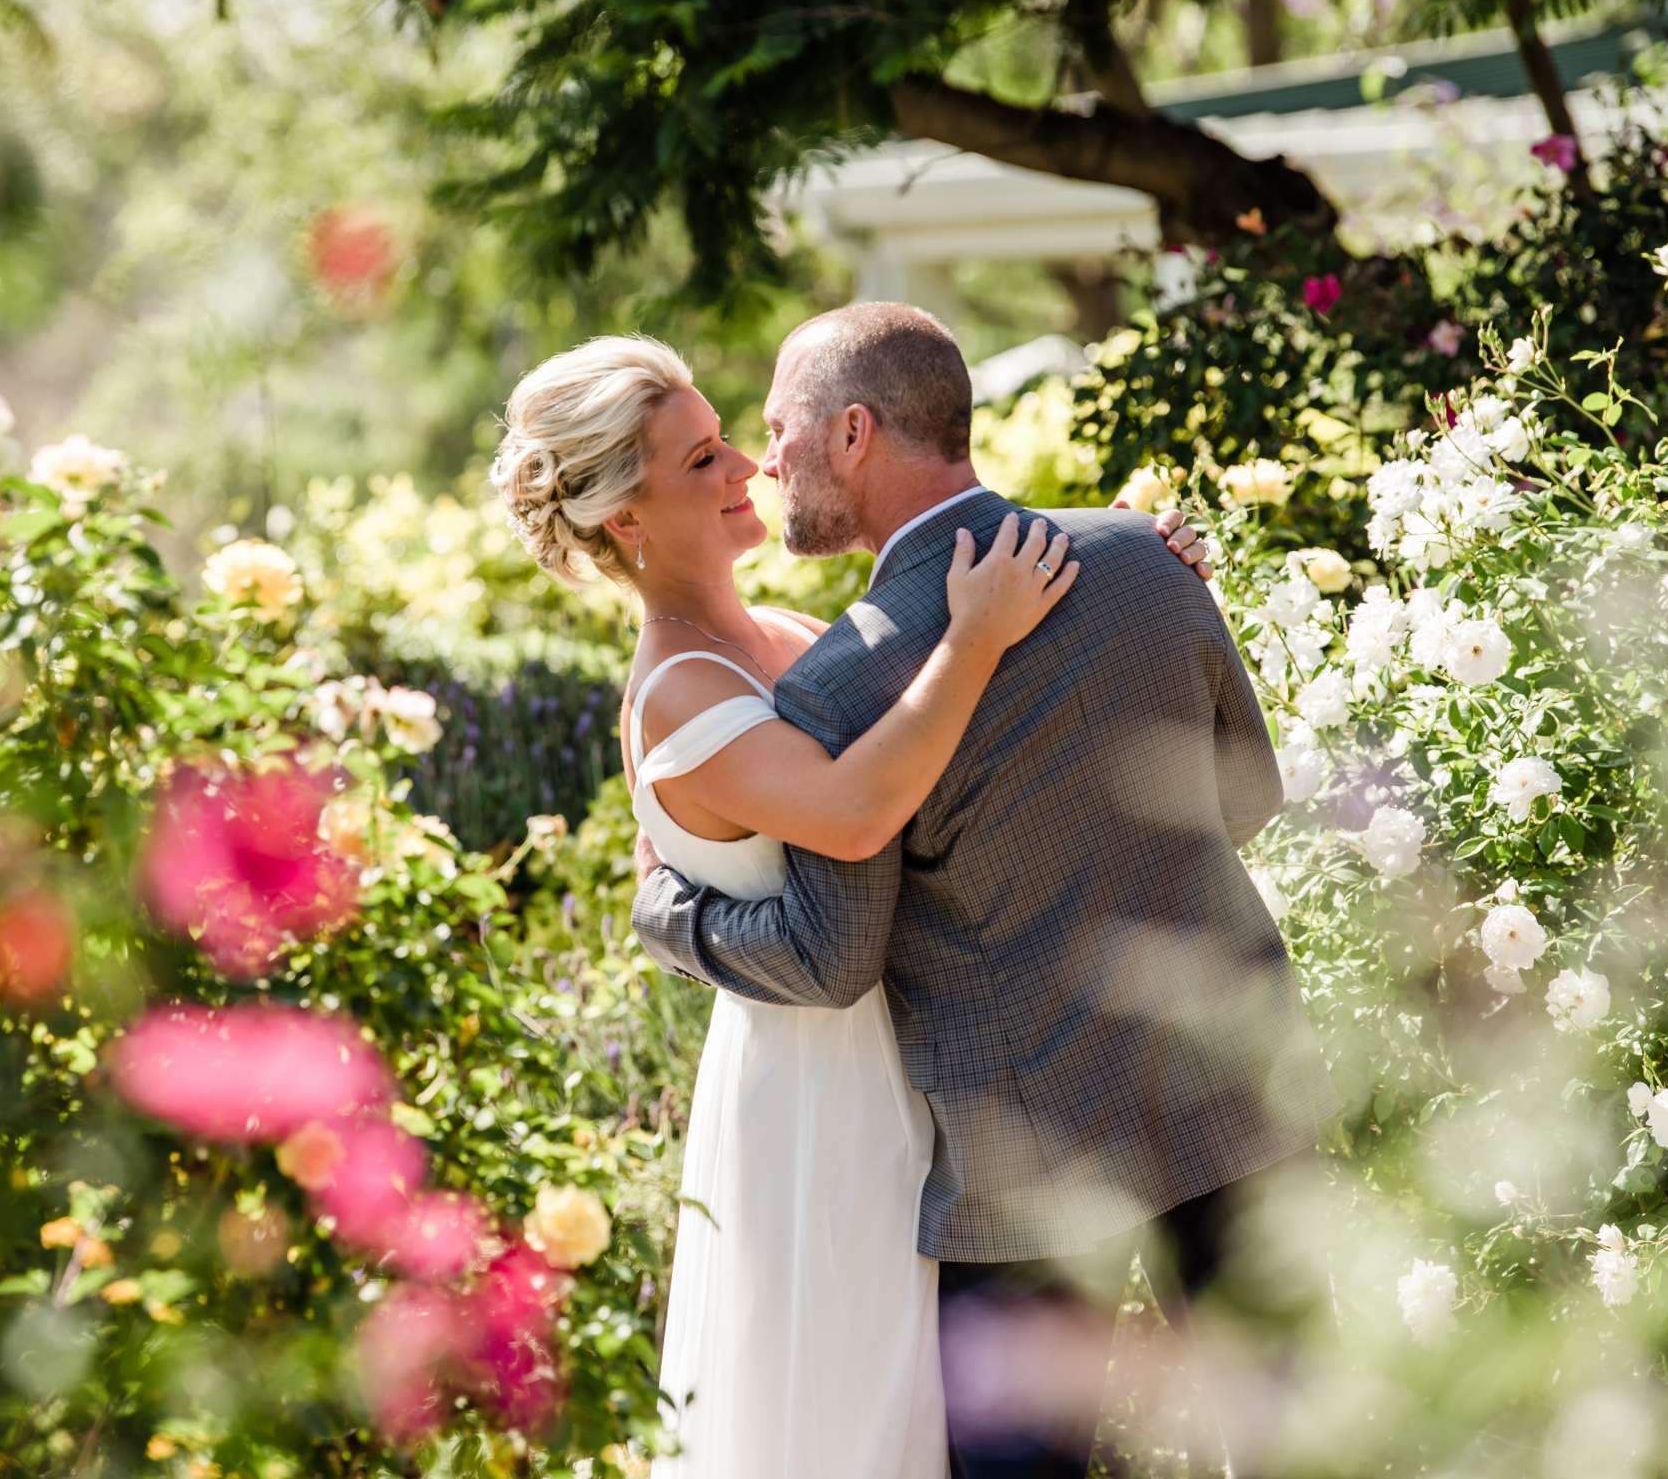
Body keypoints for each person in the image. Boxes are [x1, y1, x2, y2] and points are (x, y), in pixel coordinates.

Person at [488, 331, 1214, 1479]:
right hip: (826, 1103)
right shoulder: (678, 690)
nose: (748, 471)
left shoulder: (793, 641)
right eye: (701, 463)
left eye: (730, 440)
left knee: (938, 1419)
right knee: (855, 1414)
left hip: (936, 1065)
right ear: (624, 517)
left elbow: (973, 758)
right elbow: (858, 810)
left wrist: (1126, 571)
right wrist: (978, 636)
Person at [630, 302, 1334, 1479]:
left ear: (853, 434)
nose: (767, 462)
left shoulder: (842, 692)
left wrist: (672, 914)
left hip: (1027, 1149)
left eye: (778, 430)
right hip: (1231, 1083)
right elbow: (1247, 795)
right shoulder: (1141, 561)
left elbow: (829, 956)